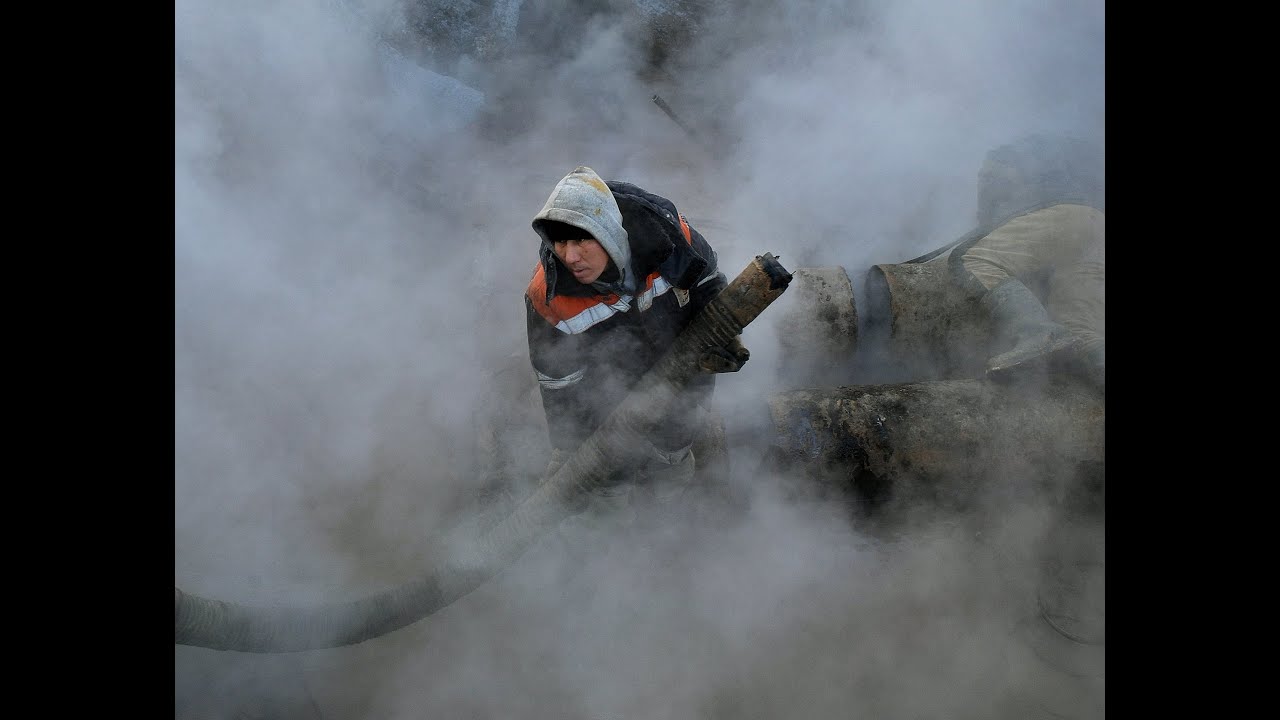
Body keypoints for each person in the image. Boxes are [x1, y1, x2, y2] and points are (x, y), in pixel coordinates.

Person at [524, 165, 748, 532]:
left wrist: (722, 336)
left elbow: (708, 283)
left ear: (609, 233)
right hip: (605, 396)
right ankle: (607, 536)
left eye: (581, 240)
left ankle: (661, 525)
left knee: (672, 454)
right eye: (560, 242)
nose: (570, 256)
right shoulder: (549, 297)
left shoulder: (671, 239)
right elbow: (558, 383)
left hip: (679, 376)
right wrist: (573, 452)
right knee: (605, 481)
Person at [947, 134, 1105, 388]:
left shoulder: (1002, 161)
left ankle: (1038, 333)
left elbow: (991, 196)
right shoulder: (1063, 160)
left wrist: (985, 214)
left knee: (973, 259)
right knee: (1080, 332)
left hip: (1062, 218)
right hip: (1096, 224)